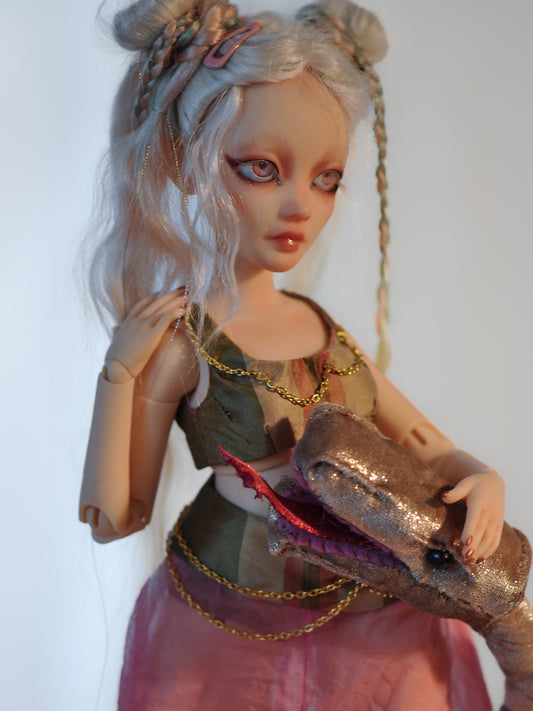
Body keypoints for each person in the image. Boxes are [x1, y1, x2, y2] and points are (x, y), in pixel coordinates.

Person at [80, 0, 504, 707]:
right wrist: (118, 378)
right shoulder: (182, 343)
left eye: (325, 179)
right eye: (261, 168)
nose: (300, 205)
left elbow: (427, 445)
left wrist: (482, 478)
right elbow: (116, 517)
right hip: (227, 612)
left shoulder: (323, 331)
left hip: (372, 606)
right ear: (187, 163)